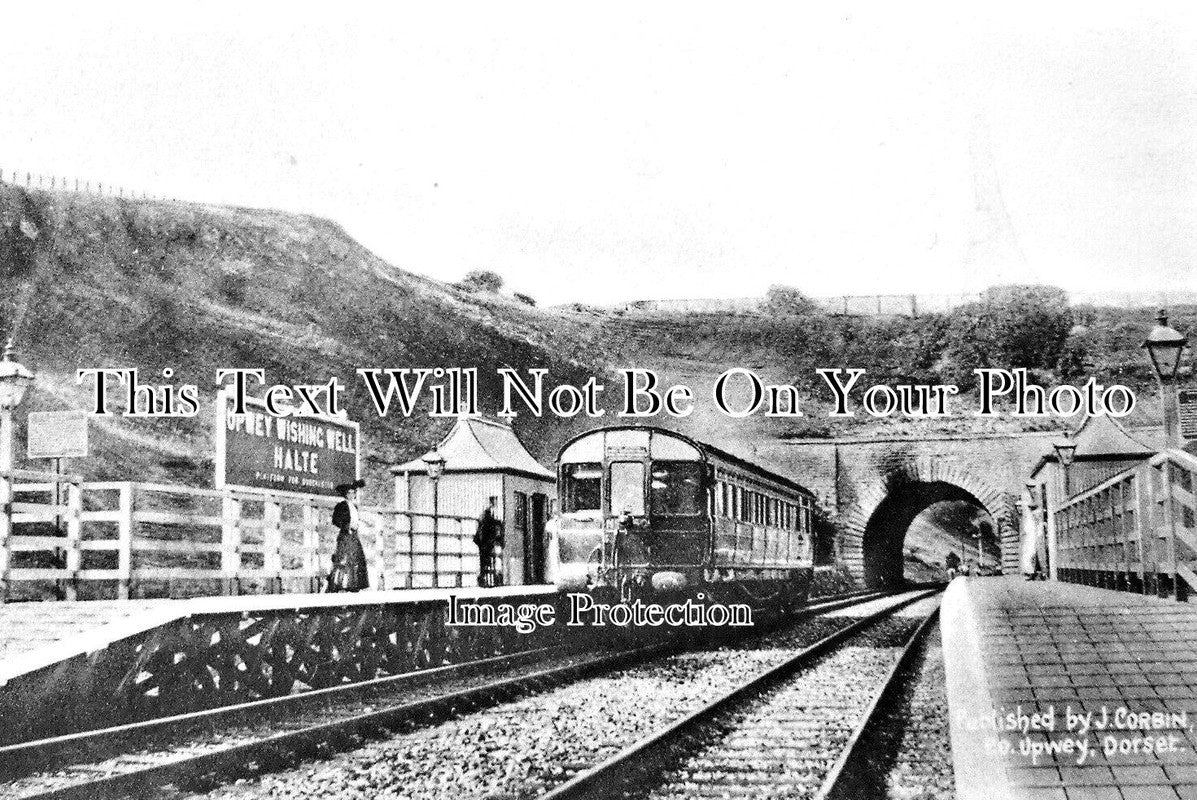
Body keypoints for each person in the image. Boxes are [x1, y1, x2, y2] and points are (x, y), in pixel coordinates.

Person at [328, 479, 369, 592]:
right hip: (346, 536)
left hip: (354, 536)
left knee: (356, 559)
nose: (352, 495)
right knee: (344, 559)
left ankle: (354, 584)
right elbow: (336, 520)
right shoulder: (341, 505)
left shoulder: (354, 507)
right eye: (349, 493)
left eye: (353, 493)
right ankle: (341, 584)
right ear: (345, 494)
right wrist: (347, 526)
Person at [474, 496, 504, 587]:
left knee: (490, 560)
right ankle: (487, 579)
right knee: (487, 560)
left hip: (487, 541)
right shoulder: (487, 513)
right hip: (486, 541)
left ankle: (490, 579)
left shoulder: (490, 513)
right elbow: (489, 524)